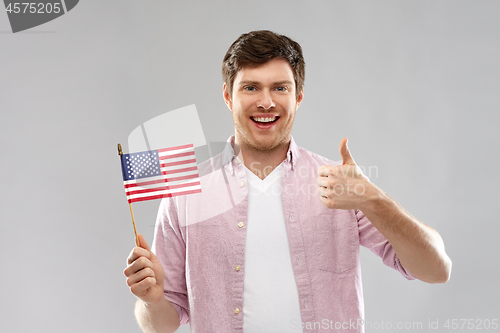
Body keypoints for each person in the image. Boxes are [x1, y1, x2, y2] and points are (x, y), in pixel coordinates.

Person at [124, 30, 452, 333]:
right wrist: (151, 301)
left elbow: (436, 270)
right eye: (250, 87)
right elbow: (161, 325)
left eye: (280, 88)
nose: (266, 102)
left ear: (298, 97)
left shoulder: (340, 185)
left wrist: (374, 200)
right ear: (228, 95)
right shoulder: (186, 194)